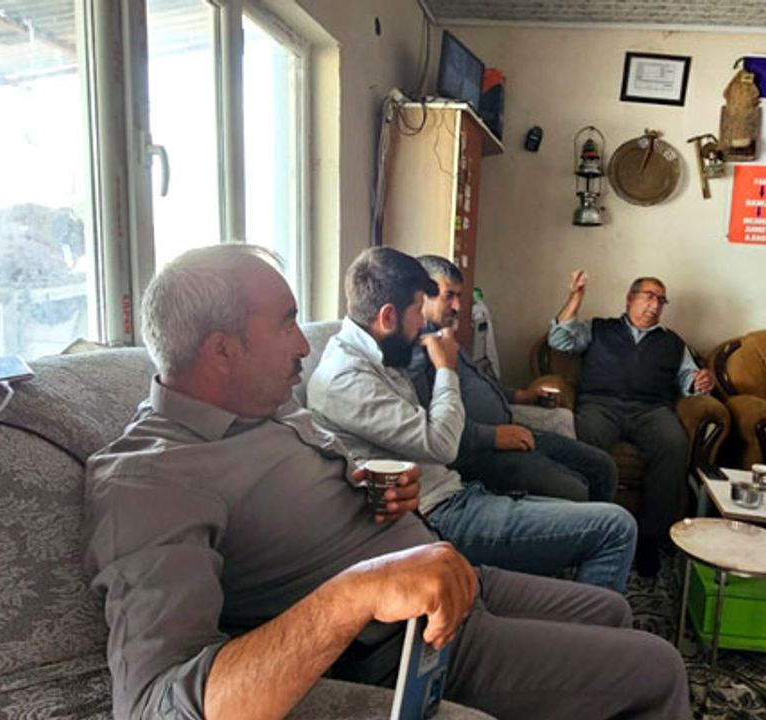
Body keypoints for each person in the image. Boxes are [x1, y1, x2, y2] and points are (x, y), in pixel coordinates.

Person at [83, 245, 690, 720]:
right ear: (221, 352)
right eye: (288, 324)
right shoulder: (150, 479)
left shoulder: (269, 405)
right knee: (658, 669)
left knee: (610, 609)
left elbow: (308, 496)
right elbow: (156, 704)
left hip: (444, 569)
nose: (304, 344)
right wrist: (357, 592)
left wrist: (369, 490)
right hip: (403, 641)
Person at [307, 247, 638, 592]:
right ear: (388, 316)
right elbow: (443, 445)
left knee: (599, 493)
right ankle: (587, 618)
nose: (421, 322)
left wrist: (517, 396)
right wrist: (446, 368)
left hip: (456, 493)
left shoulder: (382, 353)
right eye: (418, 310)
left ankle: (573, 599)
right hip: (439, 515)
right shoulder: (347, 379)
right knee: (617, 526)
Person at [408, 255, 618, 502]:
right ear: (421, 295)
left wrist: (522, 396)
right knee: (573, 489)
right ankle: (593, 522)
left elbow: (479, 384)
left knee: (603, 466)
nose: (457, 306)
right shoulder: (415, 350)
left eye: (459, 296)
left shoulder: (443, 336)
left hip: (506, 432)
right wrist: (493, 436)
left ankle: (604, 525)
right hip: (477, 452)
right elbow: (433, 429)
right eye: (449, 296)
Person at [548, 270, 714, 577]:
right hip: (601, 405)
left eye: (661, 300)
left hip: (650, 410)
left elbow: (688, 380)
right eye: (649, 296)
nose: (655, 305)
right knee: (586, 438)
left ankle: (649, 537)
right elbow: (558, 339)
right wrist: (575, 297)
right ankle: (589, 525)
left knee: (674, 444)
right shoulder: (600, 328)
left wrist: (699, 382)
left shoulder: (672, 342)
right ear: (630, 298)